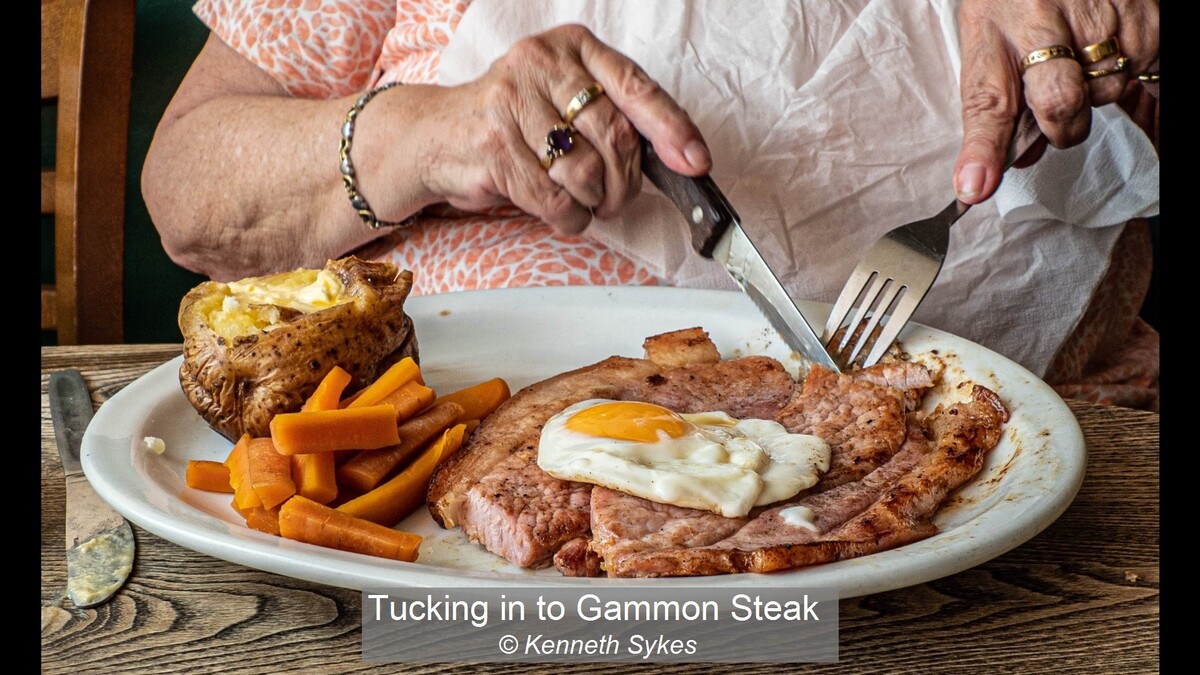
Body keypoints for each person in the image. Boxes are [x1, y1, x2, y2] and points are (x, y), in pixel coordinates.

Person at [142, 0, 1160, 409]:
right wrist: (425, 133)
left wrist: (1104, 29)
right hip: (449, 497)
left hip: (1012, 463)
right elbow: (187, 190)